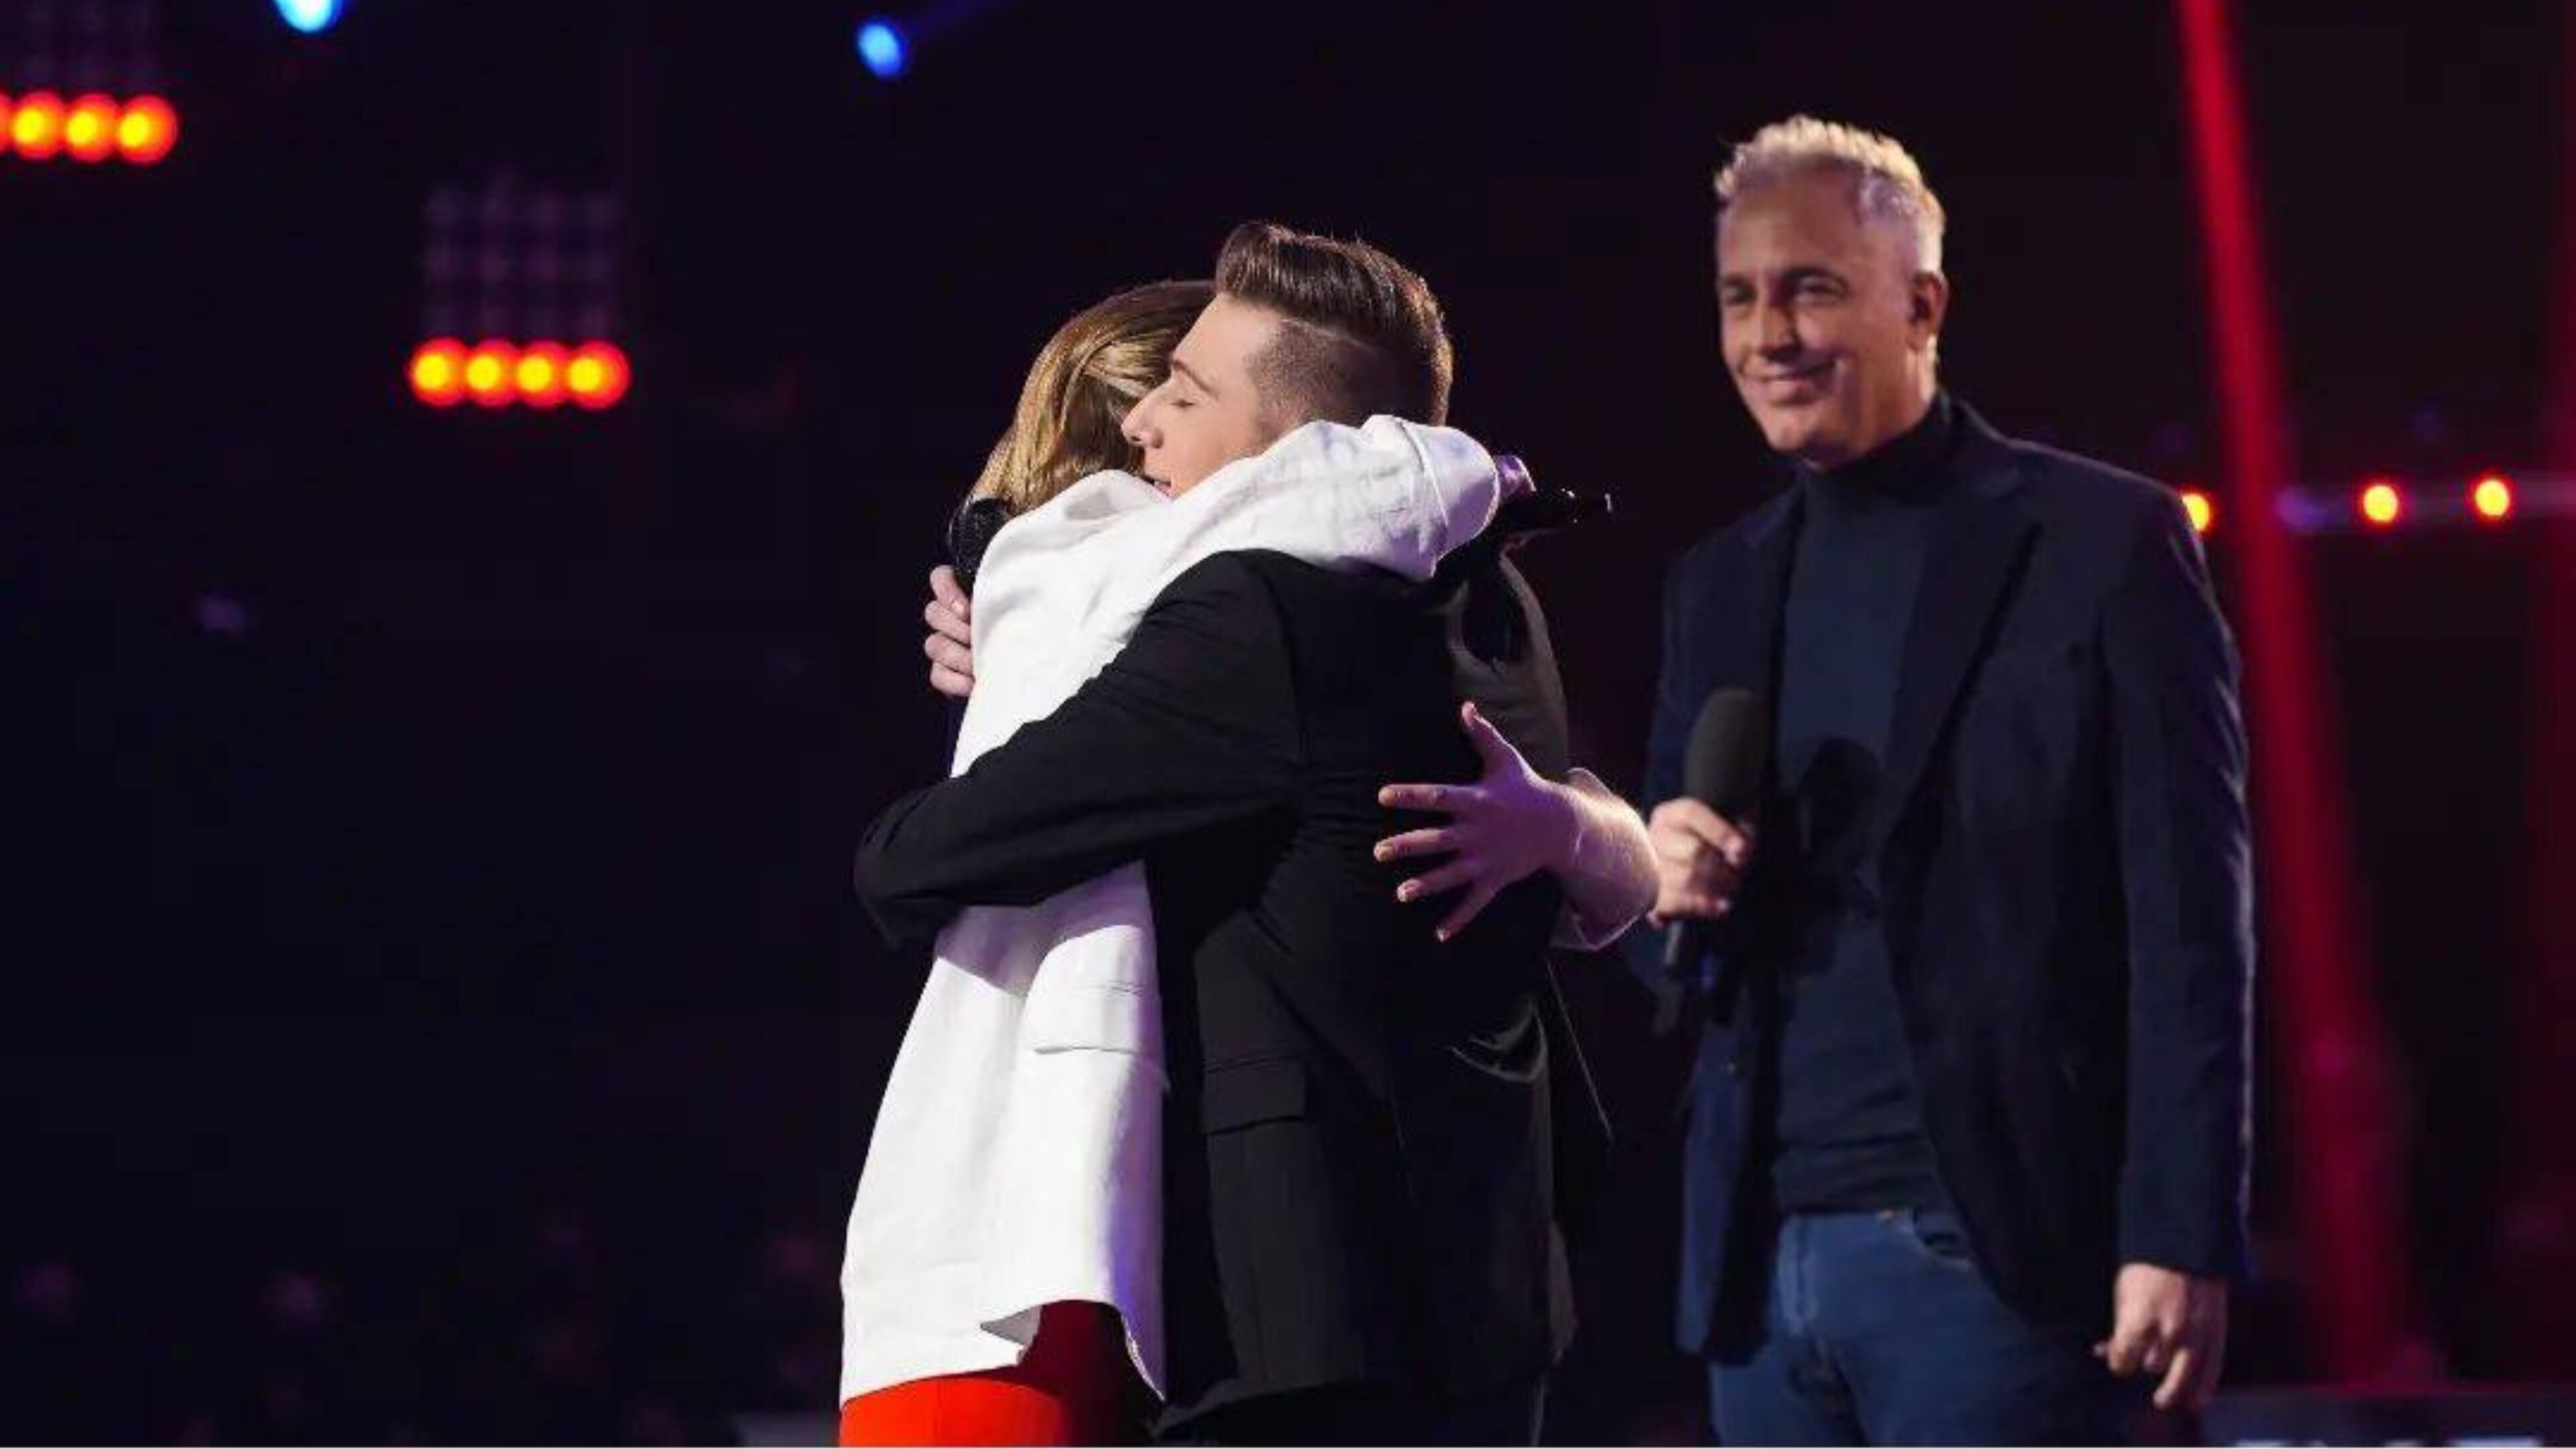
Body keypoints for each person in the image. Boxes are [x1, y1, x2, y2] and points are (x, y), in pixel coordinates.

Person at [854, 227, 1654, 1445]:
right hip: (1497, 1300)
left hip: (1305, 1324)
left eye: (1184, 395)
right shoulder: (1494, 595)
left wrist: (1027, 645)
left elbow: (920, 859)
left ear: (1297, 455)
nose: (1142, 432)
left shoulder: (1256, 612)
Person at [1629, 117, 2254, 1444]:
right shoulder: (1719, 584)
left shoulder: (2101, 543)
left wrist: (2180, 1232)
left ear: (1923, 304)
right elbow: (1664, 964)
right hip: (1754, 1281)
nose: (1767, 337)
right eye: (1739, 299)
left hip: (1995, 1266)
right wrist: (1661, 888)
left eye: (1810, 288)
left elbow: (2192, 922)